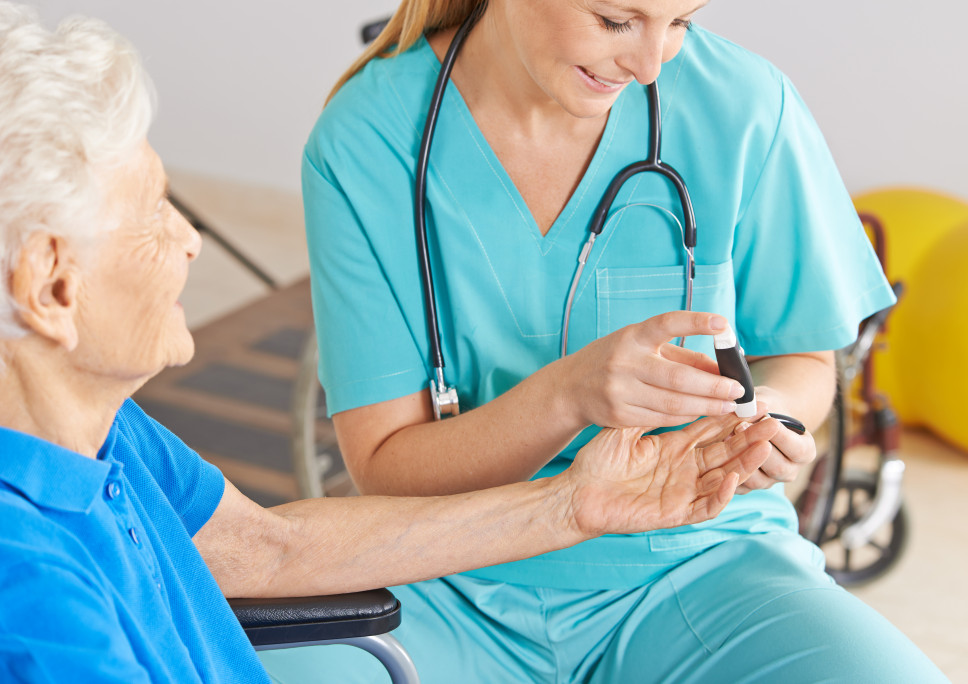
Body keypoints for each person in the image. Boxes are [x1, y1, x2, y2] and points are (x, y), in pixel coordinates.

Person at [0, 4, 790, 681]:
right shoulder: (35, 598)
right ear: (51, 289)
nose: (189, 241)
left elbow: (268, 550)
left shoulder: (102, 433)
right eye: (150, 212)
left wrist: (575, 505)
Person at [266, 0, 950, 682]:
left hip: (701, 563)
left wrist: (772, 417)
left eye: (680, 21)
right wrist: (567, 396)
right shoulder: (369, 138)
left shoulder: (743, 105)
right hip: (448, 571)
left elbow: (803, 354)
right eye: (616, 21)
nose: (651, 63)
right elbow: (385, 464)